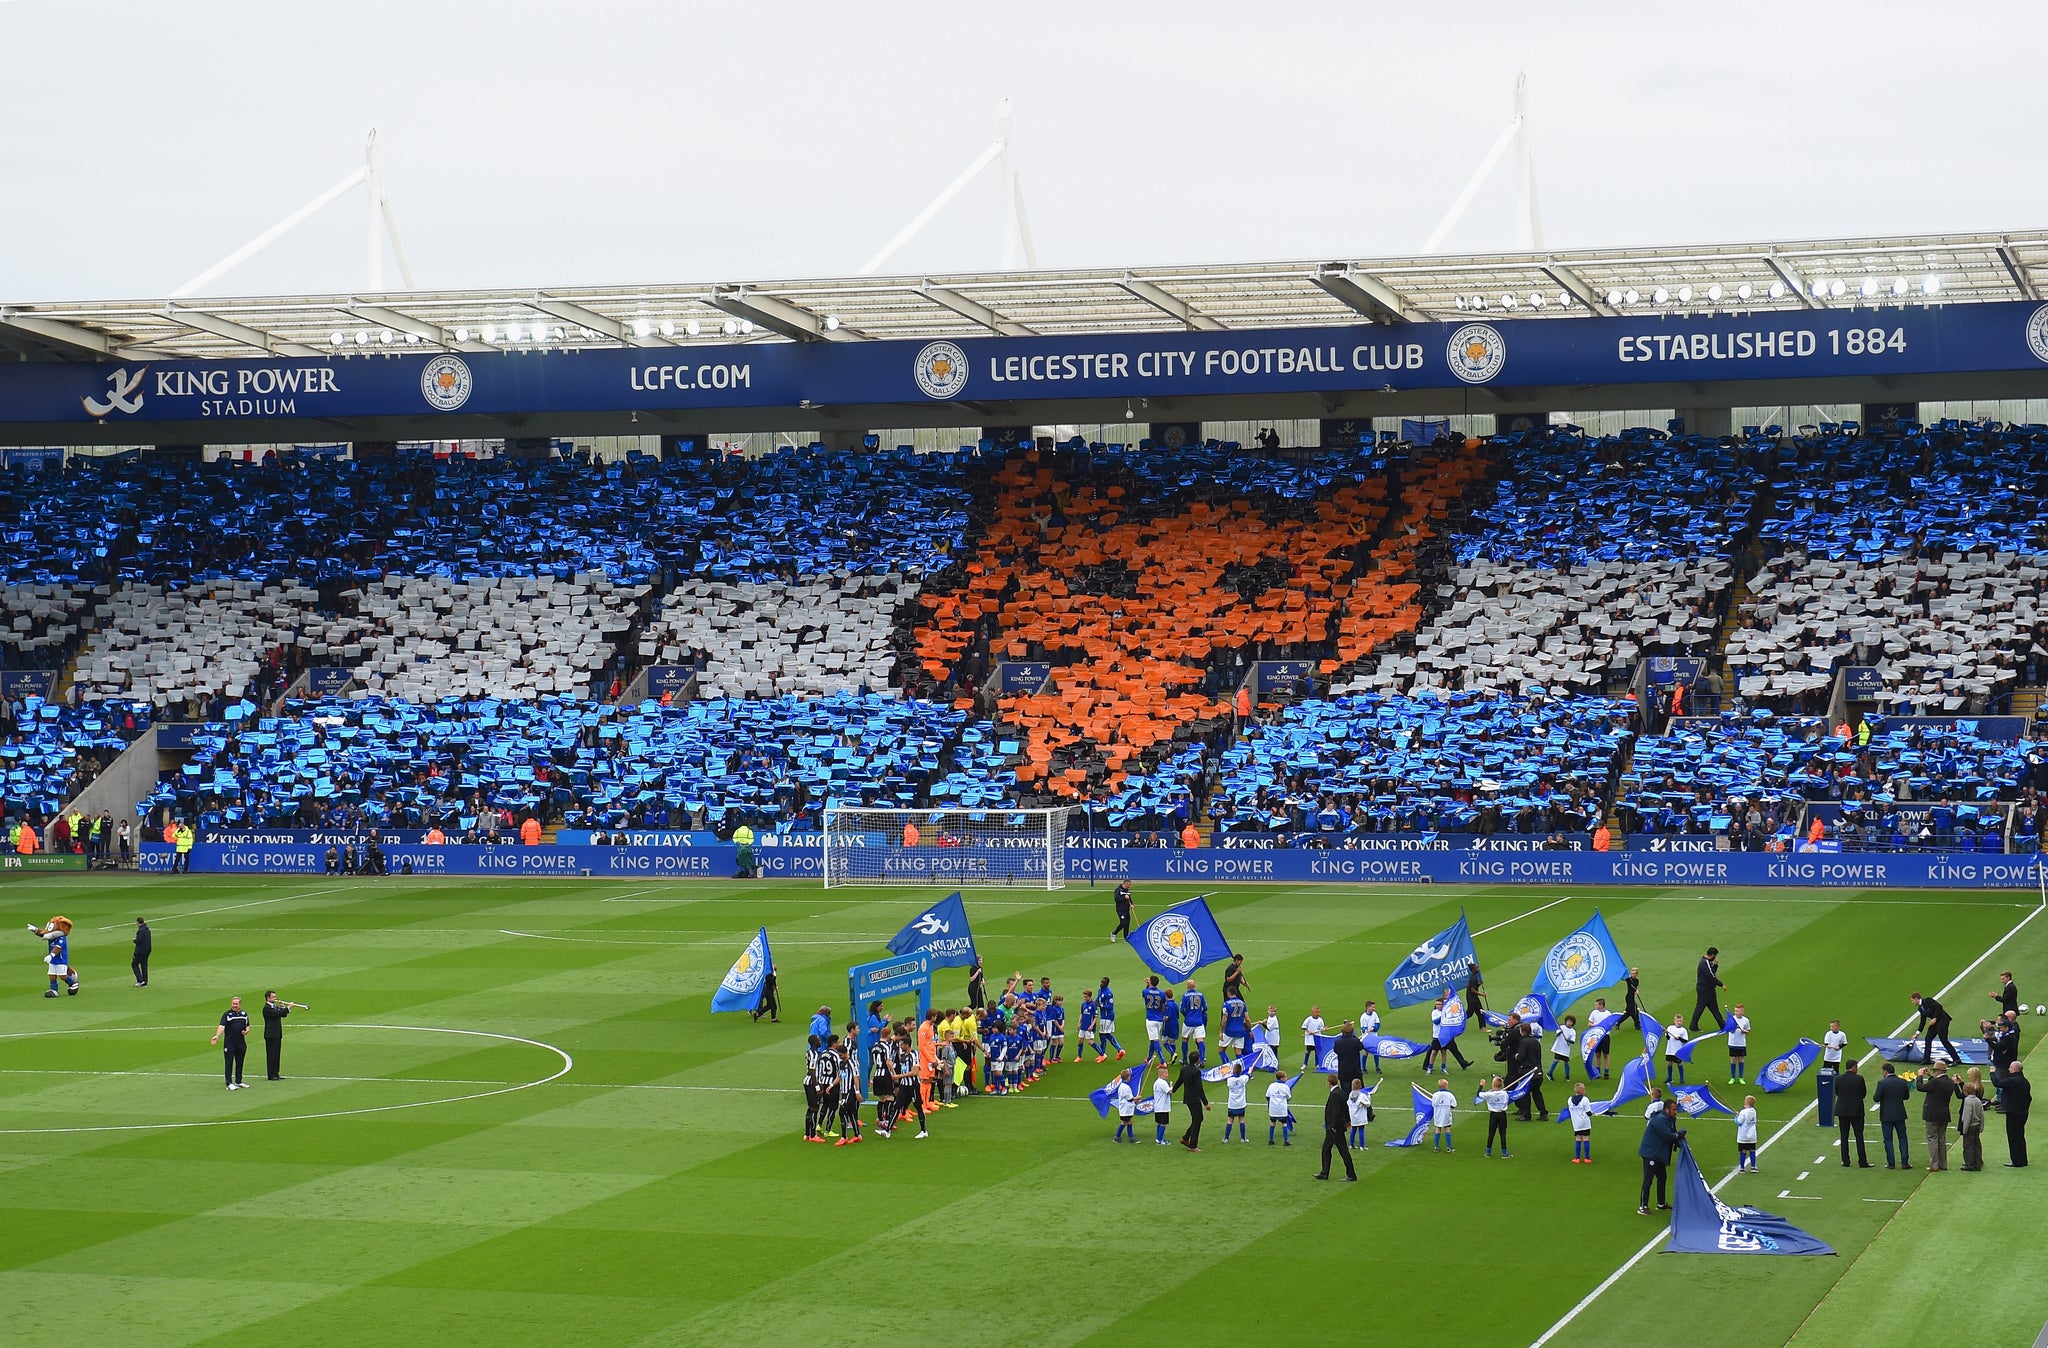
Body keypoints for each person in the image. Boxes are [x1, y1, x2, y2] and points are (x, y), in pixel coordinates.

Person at [1638, 1099, 1686, 1215]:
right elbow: (1667, 1136)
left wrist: (1681, 1145)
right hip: (1651, 1153)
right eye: (1673, 1110)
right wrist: (1678, 1135)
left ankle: (1661, 1203)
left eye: (1676, 1110)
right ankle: (1642, 1206)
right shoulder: (1660, 1119)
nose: (1676, 1112)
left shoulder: (1669, 1119)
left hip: (1658, 1154)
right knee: (1648, 1180)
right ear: (1667, 1109)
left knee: (1662, 1177)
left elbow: (1672, 1135)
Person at [1916, 1060, 1958, 1172]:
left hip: (1932, 1114)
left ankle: (1934, 1165)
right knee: (1942, 1140)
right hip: (1944, 1114)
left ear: (1938, 1072)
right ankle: (1943, 1164)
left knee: (1932, 1139)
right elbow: (1935, 1085)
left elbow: (1920, 1087)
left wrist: (1920, 1076)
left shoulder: (1935, 1082)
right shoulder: (1950, 1082)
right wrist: (1930, 1076)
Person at [1314, 1074, 1356, 1180]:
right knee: (1326, 1149)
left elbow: (1336, 1112)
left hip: (1335, 1127)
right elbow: (1346, 1108)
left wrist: (1333, 1126)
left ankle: (1351, 1174)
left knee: (1342, 1150)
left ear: (1328, 1082)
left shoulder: (1334, 1094)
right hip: (1336, 1126)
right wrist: (1348, 1120)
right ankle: (1324, 1173)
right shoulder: (1341, 1092)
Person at [1873, 1062, 1913, 1168]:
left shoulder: (1882, 1083)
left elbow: (1876, 1098)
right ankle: (1905, 1162)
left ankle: (1891, 1163)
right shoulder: (1902, 1082)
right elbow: (1906, 1096)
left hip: (1886, 1115)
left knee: (1888, 1139)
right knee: (1903, 1138)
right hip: (1900, 1114)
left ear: (1885, 1071)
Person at [27, 915, 77, 997]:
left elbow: (58, 948)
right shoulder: (51, 936)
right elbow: (44, 934)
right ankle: (54, 989)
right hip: (53, 960)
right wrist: (35, 930)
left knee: (62, 976)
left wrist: (51, 955)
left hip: (61, 960)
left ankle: (72, 983)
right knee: (51, 975)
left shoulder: (62, 938)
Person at [1834, 1060, 1872, 1167]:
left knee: (1844, 1136)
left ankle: (1845, 1161)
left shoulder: (1839, 1079)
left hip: (1842, 1110)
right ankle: (1862, 1161)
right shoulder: (1859, 1079)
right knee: (1859, 1136)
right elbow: (1863, 1093)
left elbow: (1837, 1092)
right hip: (1856, 1111)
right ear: (1854, 1067)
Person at [210, 994, 251, 1090]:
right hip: (230, 1043)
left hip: (241, 1042)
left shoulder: (244, 1014)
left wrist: (247, 1031)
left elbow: (247, 1026)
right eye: (233, 1004)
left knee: (240, 1062)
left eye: (236, 1004)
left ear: (240, 1005)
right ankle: (228, 1083)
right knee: (229, 1063)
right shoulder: (227, 1015)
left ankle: (238, 1081)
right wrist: (217, 1035)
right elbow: (222, 1026)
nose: (234, 1005)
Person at [1911, 991, 1960, 1065]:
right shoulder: (1920, 1008)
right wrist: (1917, 1033)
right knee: (1928, 1038)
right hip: (1935, 1023)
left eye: (1912, 1000)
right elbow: (1923, 1021)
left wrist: (1935, 1018)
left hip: (1942, 1020)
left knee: (1943, 1040)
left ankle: (1956, 1059)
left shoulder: (1928, 1000)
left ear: (1916, 998)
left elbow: (1939, 1006)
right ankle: (1926, 1059)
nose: (1912, 1002)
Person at [1175, 1053, 1211, 1151]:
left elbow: (1179, 1081)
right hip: (1194, 1099)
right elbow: (1200, 1088)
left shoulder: (1184, 1069)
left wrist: (1173, 1090)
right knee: (1197, 1120)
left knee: (1197, 1119)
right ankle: (1192, 1145)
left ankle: (1186, 1138)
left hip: (1187, 1098)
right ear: (1197, 1060)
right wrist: (1206, 1103)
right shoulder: (1196, 1072)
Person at [260, 989, 295, 1080]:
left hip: (277, 1033)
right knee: (271, 1054)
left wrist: (283, 1008)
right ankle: (271, 1075)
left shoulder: (274, 1006)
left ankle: (276, 1073)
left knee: (277, 1054)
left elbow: (283, 1015)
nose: (275, 998)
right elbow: (276, 1014)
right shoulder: (267, 1008)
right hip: (270, 1034)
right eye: (273, 997)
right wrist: (288, 1008)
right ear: (268, 998)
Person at [2002, 1060, 2030, 1168]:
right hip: (2022, 1112)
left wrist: (1992, 1073)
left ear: (2014, 1069)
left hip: (2014, 1113)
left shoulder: (2013, 1081)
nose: (2009, 1069)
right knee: (2020, 1137)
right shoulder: (2024, 1081)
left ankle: (2016, 1160)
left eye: (2010, 1068)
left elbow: (1998, 1083)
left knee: (2013, 1137)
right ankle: (2022, 1159)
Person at [1690, 946, 1725, 1032]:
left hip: (1708, 989)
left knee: (1714, 1008)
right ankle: (1693, 1026)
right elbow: (1711, 976)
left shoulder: (1707, 962)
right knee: (1701, 1007)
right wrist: (1721, 984)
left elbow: (1712, 972)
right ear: (1712, 955)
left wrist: (1716, 965)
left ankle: (1722, 1025)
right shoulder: (1704, 963)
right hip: (1705, 989)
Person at [1958, 1082, 1987, 1172]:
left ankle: (1969, 1164)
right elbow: (1982, 1114)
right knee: (1976, 1144)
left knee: (1968, 1146)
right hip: (1977, 1125)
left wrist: (1964, 1129)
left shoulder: (1967, 1101)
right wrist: (1981, 1125)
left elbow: (1967, 1116)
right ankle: (1978, 1163)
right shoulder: (1978, 1100)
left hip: (1970, 1126)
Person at [1180, 980, 1208, 1066]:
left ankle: (1185, 1060)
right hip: (1199, 1021)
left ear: (1187, 986)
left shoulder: (1185, 996)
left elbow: (1181, 1009)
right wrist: (1199, 1014)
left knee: (1185, 1039)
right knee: (1200, 1040)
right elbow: (1205, 1008)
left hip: (1188, 1021)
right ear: (1194, 986)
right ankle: (1202, 1060)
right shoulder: (1200, 995)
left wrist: (1187, 1015)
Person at [1095, 977, 1124, 1061]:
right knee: (1107, 1034)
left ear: (1106, 984)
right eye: (1101, 982)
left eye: (1103, 982)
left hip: (1107, 1016)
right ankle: (1120, 1049)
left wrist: (1101, 1006)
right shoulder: (1100, 990)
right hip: (1104, 1016)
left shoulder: (1108, 993)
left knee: (1102, 1034)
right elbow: (1097, 1000)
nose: (1101, 983)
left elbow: (1110, 1006)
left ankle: (1102, 1054)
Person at [1482, 1076, 1512, 1158]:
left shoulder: (1489, 1094)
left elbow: (1479, 1094)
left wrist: (1481, 1086)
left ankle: (1488, 1152)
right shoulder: (1505, 1094)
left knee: (1491, 1133)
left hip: (1493, 1115)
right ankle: (1504, 1152)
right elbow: (1507, 1101)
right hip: (1502, 1114)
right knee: (1502, 1134)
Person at [1567, 1081, 1595, 1163]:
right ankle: (1587, 1158)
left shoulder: (1569, 1100)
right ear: (1582, 1091)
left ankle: (1577, 1158)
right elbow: (1588, 1112)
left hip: (1576, 1123)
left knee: (1578, 1138)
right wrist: (1593, 1113)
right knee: (1585, 1138)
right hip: (1585, 1123)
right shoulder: (1585, 1099)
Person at [1142, 975, 1168, 1064]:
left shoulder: (1145, 991)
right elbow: (1164, 1006)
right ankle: (1149, 1058)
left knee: (1155, 1040)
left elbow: (1145, 994)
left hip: (1150, 1019)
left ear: (1150, 982)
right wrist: (1161, 1014)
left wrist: (1147, 984)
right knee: (1153, 1039)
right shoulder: (1162, 993)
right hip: (1159, 1019)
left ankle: (1162, 1061)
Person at [1620, 966, 1649, 1043]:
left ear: (1636, 974)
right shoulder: (1628, 979)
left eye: (1633, 973)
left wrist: (1637, 990)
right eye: (1631, 973)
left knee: (1630, 1012)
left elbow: (1635, 986)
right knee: (1634, 1012)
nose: (1632, 974)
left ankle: (1618, 1022)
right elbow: (1623, 979)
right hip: (1629, 998)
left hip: (1632, 998)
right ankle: (1637, 1025)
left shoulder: (1637, 980)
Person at [1266, 1071, 1296, 1146]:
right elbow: (1289, 1097)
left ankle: (1271, 1140)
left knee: (1273, 1123)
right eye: (1285, 1077)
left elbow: (1267, 1096)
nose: (1287, 1078)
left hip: (1273, 1109)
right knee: (1284, 1124)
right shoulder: (1285, 1087)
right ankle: (1286, 1141)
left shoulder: (1271, 1085)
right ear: (1282, 1078)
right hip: (1282, 1109)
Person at [1333, 1020, 1365, 1089]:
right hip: (1355, 1072)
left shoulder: (1338, 1042)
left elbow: (1336, 1051)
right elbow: (1361, 1047)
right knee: (1359, 1094)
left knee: (1346, 1095)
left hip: (1344, 1073)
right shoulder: (1355, 1041)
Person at [1223, 1062, 1251, 1142]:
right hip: (1241, 1104)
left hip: (1232, 1104)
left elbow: (1226, 1077)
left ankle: (1226, 1138)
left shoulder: (1230, 1080)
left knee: (1230, 1120)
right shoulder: (1243, 1078)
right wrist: (1250, 1069)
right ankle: (1243, 1138)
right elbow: (1248, 1075)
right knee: (1241, 1120)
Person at [1430, 1078, 1459, 1152]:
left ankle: (1436, 1147)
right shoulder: (1449, 1095)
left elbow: (1433, 1104)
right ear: (1446, 1086)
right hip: (1446, 1115)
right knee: (1447, 1129)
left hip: (1438, 1114)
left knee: (1437, 1129)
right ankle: (1449, 1147)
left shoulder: (1435, 1095)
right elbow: (1454, 1105)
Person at [1150, 1063, 1174, 1146]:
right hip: (1163, 1107)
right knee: (1164, 1123)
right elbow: (1169, 1091)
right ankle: (1160, 1140)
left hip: (1158, 1107)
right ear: (1161, 1074)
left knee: (1159, 1123)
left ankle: (1159, 1138)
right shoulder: (1162, 1083)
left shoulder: (1156, 1082)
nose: (1167, 1075)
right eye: (1166, 1073)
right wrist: (1172, 1087)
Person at [1726, 1004, 1750, 1084]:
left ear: (1742, 1011)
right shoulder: (1731, 1019)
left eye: (1738, 1011)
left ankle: (1741, 1077)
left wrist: (1744, 1031)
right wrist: (1732, 1029)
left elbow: (1748, 1031)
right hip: (1732, 1043)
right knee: (1733, 1059)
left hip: (1741, 1043)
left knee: (1741, 1059)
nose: (1736, 1012)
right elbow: (1728, 1030)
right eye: (1735, 1011)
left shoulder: (1746, 1020)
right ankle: (1732, 1077)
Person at [1549, 1014, 1578, 1080]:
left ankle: (1567, 1076)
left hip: (1565, 1049)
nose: (1569, 1023)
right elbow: (1557, 1034)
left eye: (1571, 1022)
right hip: (1559, 1048)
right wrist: (1560, 1032)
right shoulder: (1561, 1027)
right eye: (1568, 1021)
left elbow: (1573, 1041)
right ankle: (1549, 1073)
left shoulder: (1573, 1031)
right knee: (1556, 1060)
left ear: (1573, 1023)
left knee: (1566, 1062)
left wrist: (1568, 1040)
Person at [1663, 1014, 1690, 1084]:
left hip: (1678, 1050)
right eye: (1678, 1021)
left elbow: (1685, 1040)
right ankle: (1669, 1078)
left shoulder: (1683, 1030)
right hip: (1670, 1050)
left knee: (1679, 1063)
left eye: (1681, 1021)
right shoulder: (1670, 1028)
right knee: (1669, 1063)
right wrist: (1667, 1034)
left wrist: (1679, 1038)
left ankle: (1681, 1078)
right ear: (1674, 1021)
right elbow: (1668, 1038)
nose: (1679, 1022)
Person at [1735, 1095, 1759, 1172]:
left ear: (1745, 1103)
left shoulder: (1743, 1112)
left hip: (1743, 1136)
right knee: (1752, 1151)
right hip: (1752, 1136)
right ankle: (1753, 1167)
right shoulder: (1754, 1111)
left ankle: (1742, 1168)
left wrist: (1736, 1117)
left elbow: (1739, 1122)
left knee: (1743, 1151)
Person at [1357, 999, 1382, 1075]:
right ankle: (1363, 1068)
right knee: (1366, 1052)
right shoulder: (1363, 1017)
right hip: (1367, 1037)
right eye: (1373, 1007)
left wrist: (1373, 1028)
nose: (1374, 1009)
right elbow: (1363, 1029)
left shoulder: (1375, 1014)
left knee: (1376, 1052)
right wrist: (1366, 1030)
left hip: (1374, 1036)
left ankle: (1377, 1067)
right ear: (1368, 1007)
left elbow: (1378, 1025)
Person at [1346, 1077, 1370, 1149]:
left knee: (1353, 1130)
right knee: (1361, 1130)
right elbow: (1368, 1104)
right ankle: (1362, 1146)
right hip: (1361, 1116)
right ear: (1360, 1086)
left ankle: (1351, 1144)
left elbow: (1348, 1103)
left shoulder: (1350, 1095)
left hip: (1353, 1116)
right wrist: (1364, 1102)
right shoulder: (1362, 1095)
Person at [1300, 1004, 1326, 1071]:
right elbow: (1303, 1027)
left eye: (1319, 1012)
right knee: (1308, 1051)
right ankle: (1305, 1064)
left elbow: (1321, 1028)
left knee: (1317, 1052)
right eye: (1316, 1012)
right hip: (1309, 1039)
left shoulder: (1320, 1020)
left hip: (1317, 1038)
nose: (1318, 1014)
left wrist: (1324, 1029)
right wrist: (1308, 1031)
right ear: (1313, 1013)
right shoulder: (1309, 1019)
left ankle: (1317, 1064)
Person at [130, 917, 151, 988]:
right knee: (144, 966)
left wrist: (134, 940)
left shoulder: (141, 931)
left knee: (134, 964)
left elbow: (139, 940)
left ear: (138, 922)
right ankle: (145, 982)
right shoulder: (147, 929)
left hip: (140, 951)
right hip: (147, 950)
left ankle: (140, 980)